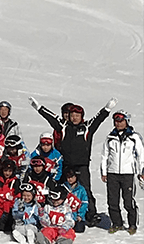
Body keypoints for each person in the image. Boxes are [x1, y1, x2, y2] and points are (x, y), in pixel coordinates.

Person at [30, 96, 115, 225]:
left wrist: (107, 109)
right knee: (63, 189)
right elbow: (51, 118)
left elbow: (98, 119)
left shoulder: (87, 127)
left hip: (82, 165)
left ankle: (91, 214)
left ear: (81, 116)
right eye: (72, 115)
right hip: (66, 164)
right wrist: (39, 108)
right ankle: (64, 213)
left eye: (77, 115)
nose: (74, 118)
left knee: (85, 189)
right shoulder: (63, 126)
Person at [100, 110, 143, 234]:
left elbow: (141, 155)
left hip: (128, 173)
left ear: (127, 121)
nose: (118, 124)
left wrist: (141, 171)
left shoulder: (134, 137)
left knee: (128, 200)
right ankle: (117, 223)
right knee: (112, 201)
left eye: (121, 121)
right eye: (116, 121)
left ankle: (132, 224)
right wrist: (104, 172)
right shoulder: (110, 137)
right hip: (112, 173)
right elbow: (104, 156)